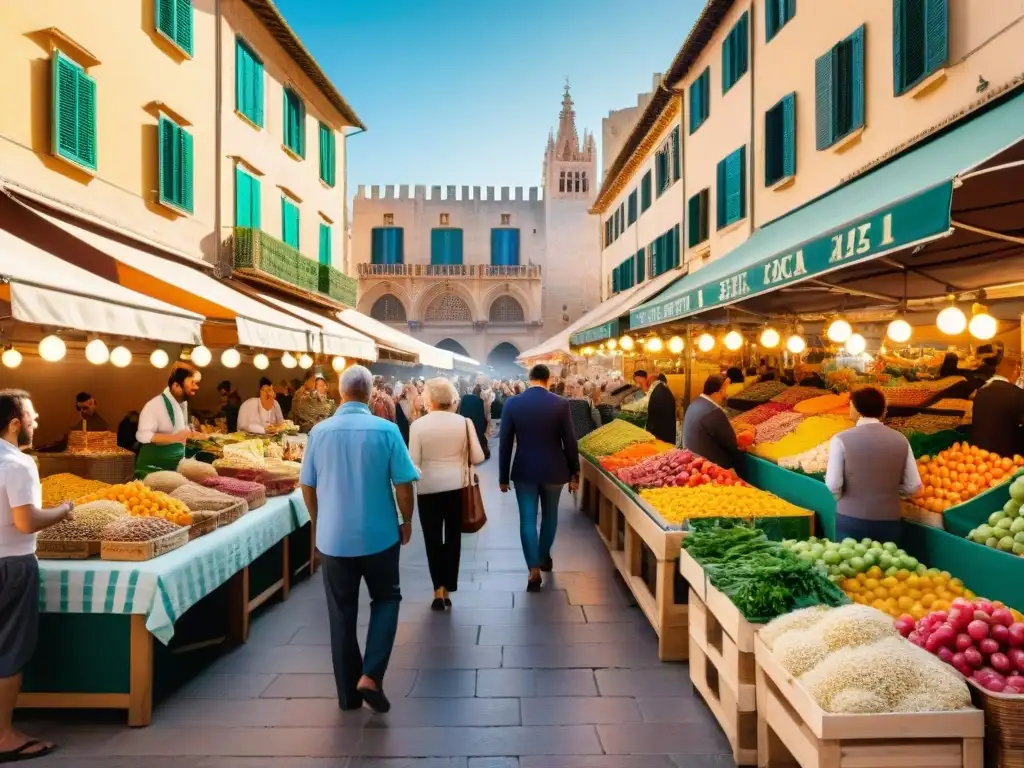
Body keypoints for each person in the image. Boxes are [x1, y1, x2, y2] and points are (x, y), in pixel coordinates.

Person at [300, 366, 419, 715]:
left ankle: (348, 697)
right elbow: (403, 483)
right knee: (386, 599)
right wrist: (407, 519)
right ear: (370, 395)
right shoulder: (387, 430)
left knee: (341, 613)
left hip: (334, 539)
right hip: (380, 534)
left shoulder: (319, 433)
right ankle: (371, 674)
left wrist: (318, 524)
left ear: (340, 393)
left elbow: (307, 484)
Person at [0, 390, 73, 762]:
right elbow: (26, 520)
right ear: (15, 424)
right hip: (11, 564)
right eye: (31, 417)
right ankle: (4, 736)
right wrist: (63, 511)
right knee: (10, 649)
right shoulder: (18, 463)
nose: (36, 421)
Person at [498, 364, 579, 592]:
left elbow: (505, 444)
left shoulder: (513, 403)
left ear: (529, 378)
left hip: (524, 470)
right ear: (549, 379)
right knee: (550, 515)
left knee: (527, 519)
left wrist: (503, 477)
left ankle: (533, 570)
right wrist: (575, 471)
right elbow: (570, 441)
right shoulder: (561, 404)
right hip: (555, 469)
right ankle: (543, 556)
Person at [408, 378, 485, 610]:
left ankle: (437, 590)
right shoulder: (464, 422)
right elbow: (478, 457)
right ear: (451, 398)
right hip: (457, 488)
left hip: (427, 489)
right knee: (453, 538)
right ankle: (449, 585)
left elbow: (413, 463)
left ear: (428, 399)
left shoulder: (418, 426)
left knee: (432, 539)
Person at [825, 386, 922, 543]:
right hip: (889, 520)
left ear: (856, 410)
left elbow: (833, 484)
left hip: (850, 518)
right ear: (883, 411)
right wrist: (889, 496)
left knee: (848, 564)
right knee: (884, 565)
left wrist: (846, 500)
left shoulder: (840, 439)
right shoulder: (901, 440)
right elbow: (913, 485)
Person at [135, 364, 202, 474]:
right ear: (176, 386)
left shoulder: (182, 405)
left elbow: (178, 431)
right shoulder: (155, 405)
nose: (196, 387)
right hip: (151, 471)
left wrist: (193, 432)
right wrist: (175, 437)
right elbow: (143, 436)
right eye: (191, 383)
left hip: (174, 469)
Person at [681, 374, 741, 469]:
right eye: (724, 391)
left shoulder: (694, 404)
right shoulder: (714, 412)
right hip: (712, 468)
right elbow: (732, 443)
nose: (725, 394)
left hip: (693, 462)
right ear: (716, 393)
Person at [970, 355, 1024, 459]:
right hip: (1004, 454)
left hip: (978, 451)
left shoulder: (981, 391)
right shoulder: (1017, 393)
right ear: (1014, 371)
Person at [458, 384, 489, 460]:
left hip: (464, 423)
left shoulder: (465, 397)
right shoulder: (480, 401)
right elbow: (483, 415)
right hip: (477, 425)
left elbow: (460, 410)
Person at [646, 373, 677, 445]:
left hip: (660, 436)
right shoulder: (663, 389)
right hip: (668, 433)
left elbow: (653, 416)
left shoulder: (658, 391)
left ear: (652, 380)